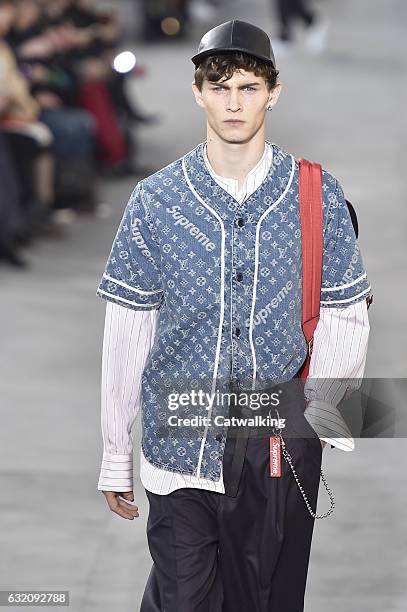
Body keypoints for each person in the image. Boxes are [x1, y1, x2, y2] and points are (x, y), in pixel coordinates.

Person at [96, 19, 372, 612]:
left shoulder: (315, 194)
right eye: (219, 88)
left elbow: (345, 307)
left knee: (266, 601)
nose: (233, 103)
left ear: (274, 92)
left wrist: (319, 419)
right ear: (197, 93)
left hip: (276, 443)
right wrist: (116, 453)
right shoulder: (156, 200)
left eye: (248, 88)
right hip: (180, 448)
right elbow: (127, 328)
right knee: (182, 599)